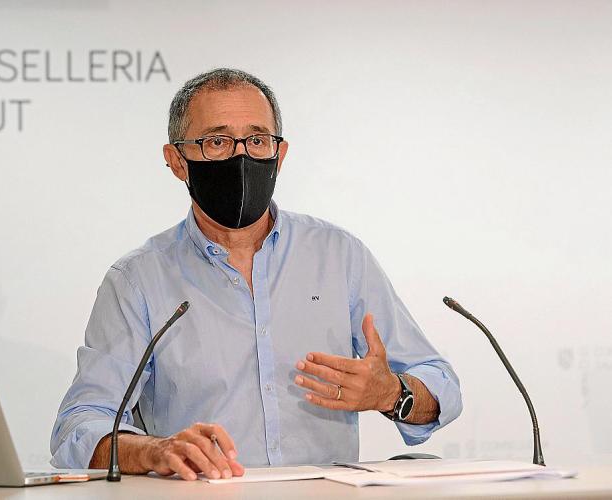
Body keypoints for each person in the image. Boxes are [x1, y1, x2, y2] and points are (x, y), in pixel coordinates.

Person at [50, 68, 462, 481]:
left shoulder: (338, 256)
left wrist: (393, 394)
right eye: (217, 142)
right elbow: (79, 426)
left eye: (257, 140)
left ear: (279, 156)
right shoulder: (138, 279)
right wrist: (154, 450)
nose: (241, 157)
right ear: (177, 161)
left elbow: (440, 384)